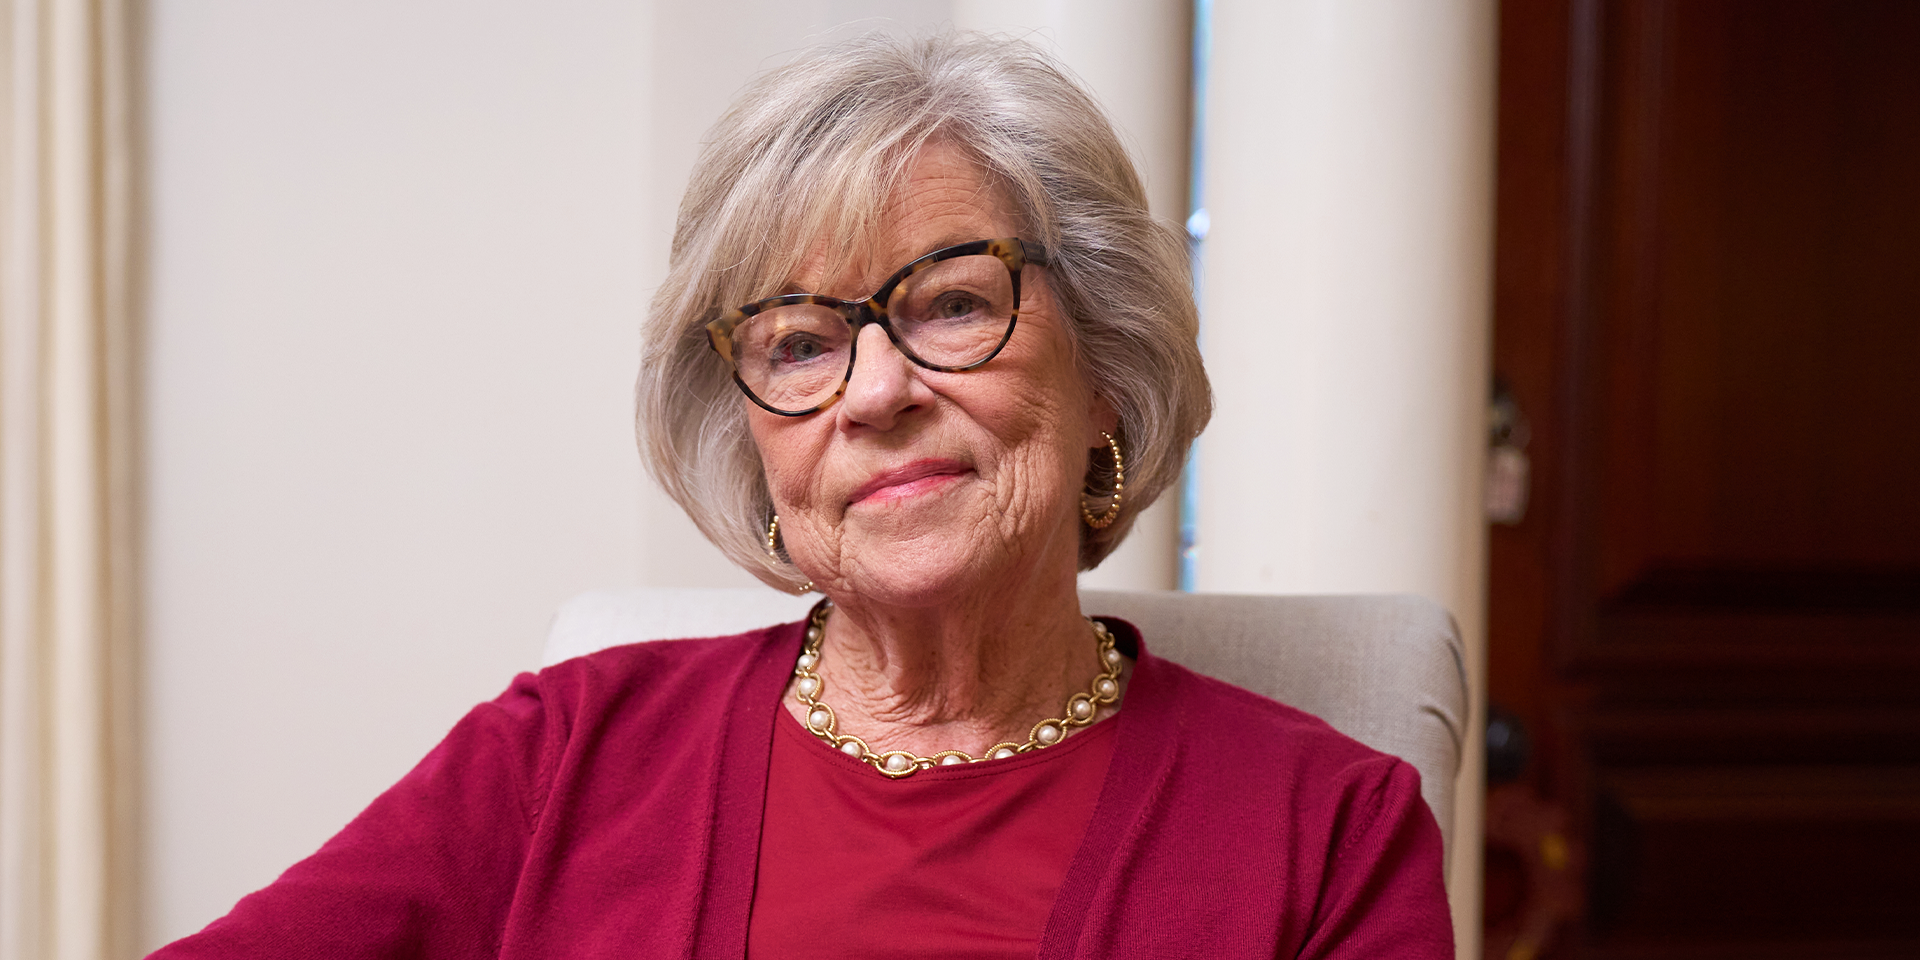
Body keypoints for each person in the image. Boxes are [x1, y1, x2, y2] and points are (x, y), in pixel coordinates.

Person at [152, 32, 1451, 960]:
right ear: (757, 442)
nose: (874, 392)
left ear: (1106, 366)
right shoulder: (567, 753)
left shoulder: (1328, 829)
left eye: (953, 301)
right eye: (800, 343)